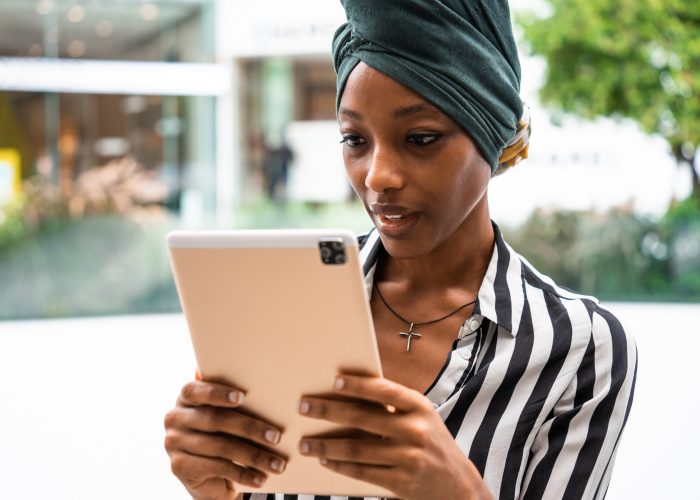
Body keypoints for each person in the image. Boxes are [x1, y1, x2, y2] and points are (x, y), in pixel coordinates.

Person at [163, 1, 637, 499]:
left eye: (421, 138)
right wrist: (216, 492)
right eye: (354, 139)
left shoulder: (579, 348)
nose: (377, 176)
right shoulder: (283, 301)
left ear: (492, 135)